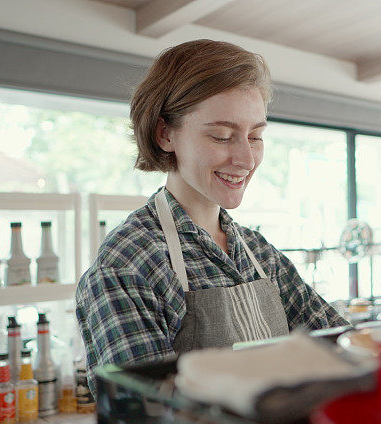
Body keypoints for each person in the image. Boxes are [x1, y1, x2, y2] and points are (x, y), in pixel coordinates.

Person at [75, 39, 348, 395]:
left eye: (255, 136)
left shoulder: (259, 253)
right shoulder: (128, 264)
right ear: (165, 134)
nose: (246, 159)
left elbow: (342, 347)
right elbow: (147, 420)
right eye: (222, 136)